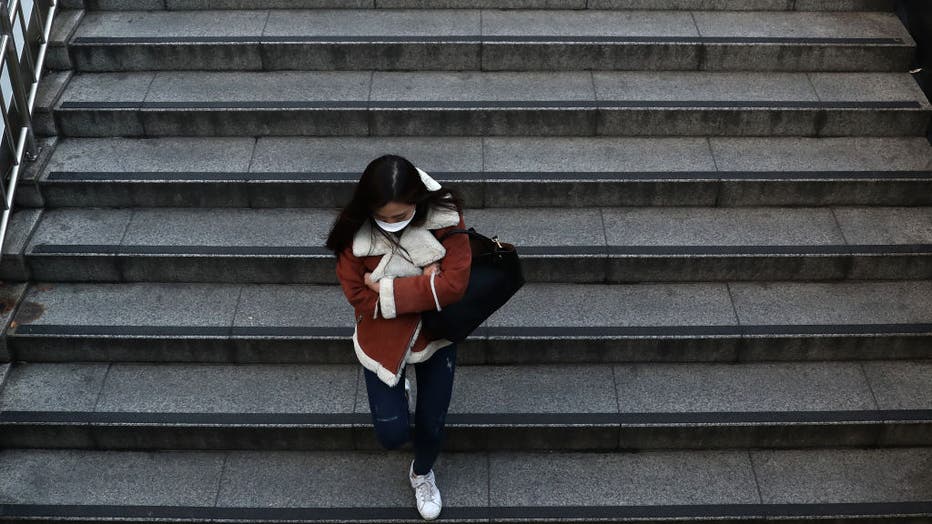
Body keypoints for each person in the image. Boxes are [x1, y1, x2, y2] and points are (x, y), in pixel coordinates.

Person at [324, 154, 472, 520]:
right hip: (382, 340)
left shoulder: (446, 220)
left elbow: (454, 286)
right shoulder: (352, 230)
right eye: (384, 217)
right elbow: (358, 295)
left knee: (432, 421)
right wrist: (425, 281)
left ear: (417, 203)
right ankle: (399, 387)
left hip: (436, 335)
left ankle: (422, 473)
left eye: (401, 215)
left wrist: (385, 288)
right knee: (391, 434)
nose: (392, 224)